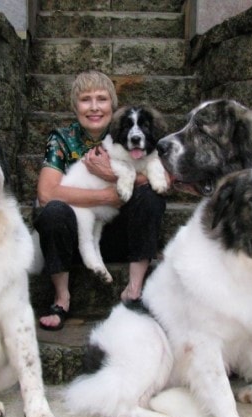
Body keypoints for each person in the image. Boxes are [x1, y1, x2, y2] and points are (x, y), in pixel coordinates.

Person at [33, 70, 167, 331]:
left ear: (112, 105)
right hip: (74, 237)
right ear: (75, 106)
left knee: (151, 197)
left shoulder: (128, 128)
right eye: (85, 99)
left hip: (118, 233)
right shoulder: (61, 139)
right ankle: (61, 298)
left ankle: (134, 290)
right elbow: (47, 193)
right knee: (53, 212)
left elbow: (164, 176)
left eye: (101, 99)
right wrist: (106, 195)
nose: (94, 107)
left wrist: (110, 175)